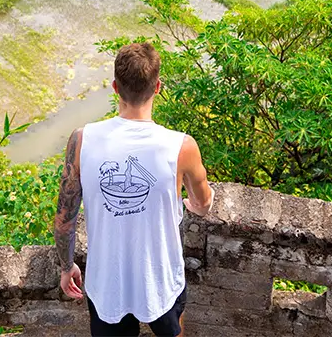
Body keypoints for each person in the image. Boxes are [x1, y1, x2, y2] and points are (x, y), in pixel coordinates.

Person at [54, 43, 214, 336]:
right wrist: (193, 204)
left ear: (115, 87)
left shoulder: (82, 139)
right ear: (158, 87)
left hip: (105, 282)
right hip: (161, 279)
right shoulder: (182, 146)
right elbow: (203, 203)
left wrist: (67, 266)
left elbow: (65, 217)